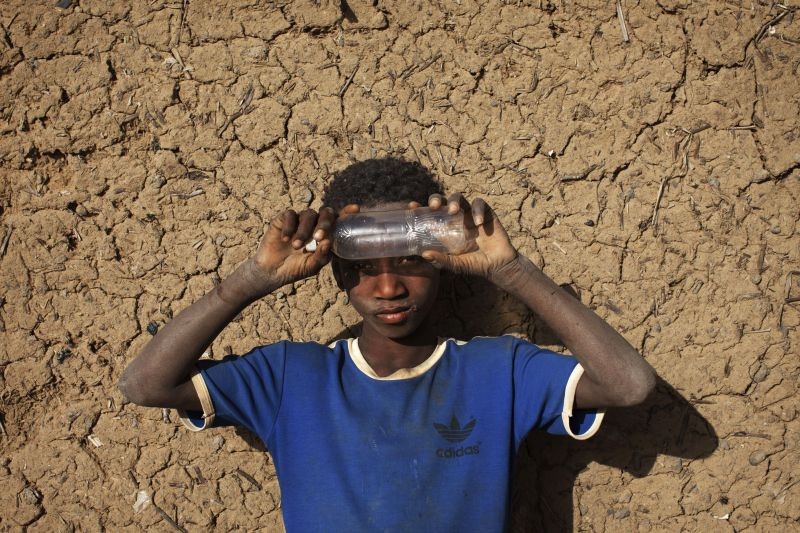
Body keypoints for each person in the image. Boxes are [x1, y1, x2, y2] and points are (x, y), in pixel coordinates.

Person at [119, 158, 655, 532]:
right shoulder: (290, 378)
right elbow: (145, 384)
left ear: (441, 261)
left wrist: (511, 270)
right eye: (363, 269)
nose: (388, 287)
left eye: (408, 261)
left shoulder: (498, 372)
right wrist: (253, 279)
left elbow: (628, 384)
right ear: (336, 274)